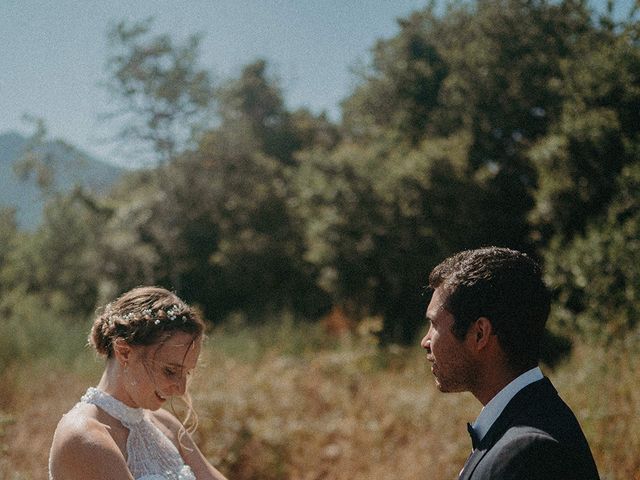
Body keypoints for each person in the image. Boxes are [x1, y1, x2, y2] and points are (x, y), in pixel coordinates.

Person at [421, 247, 599, 479]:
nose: (425, 341)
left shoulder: (528, 456)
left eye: (434, 325)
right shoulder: (530, 420)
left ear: (480, 334)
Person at [49, 286, 228, 480]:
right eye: (170, 371)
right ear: (124, 352)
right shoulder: (84, 435)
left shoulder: (164, 422)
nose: (181, 389)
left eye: (187, 373)